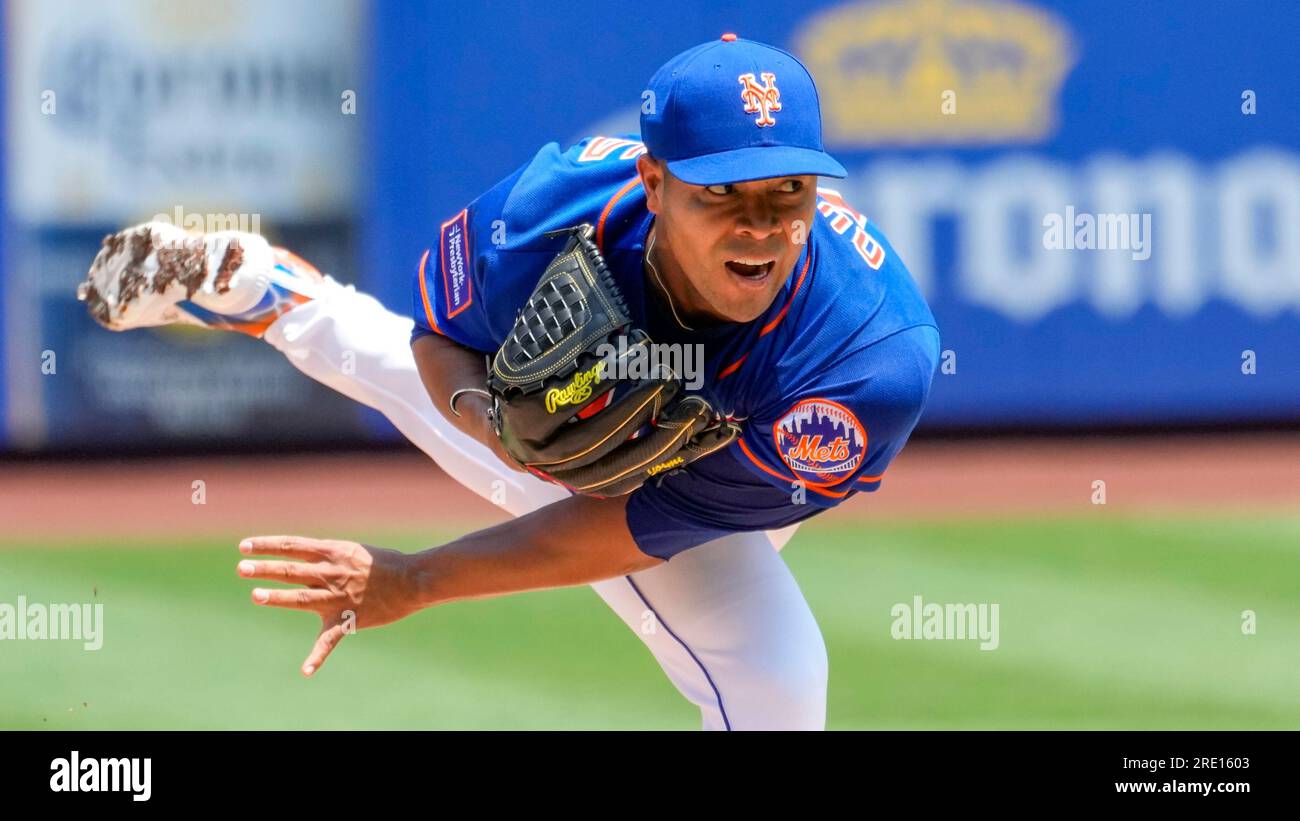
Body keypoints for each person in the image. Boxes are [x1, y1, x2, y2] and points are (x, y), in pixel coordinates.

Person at [78, 35, 940, 730]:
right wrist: (487, 420)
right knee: (779, 680)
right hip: (621, 430)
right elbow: (439, 338)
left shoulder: (869, 359)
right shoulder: (551, 208)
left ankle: (273, 294)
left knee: (700, 574)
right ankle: (264, 291)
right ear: (653, 181)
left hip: (731, 463)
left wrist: (418, 578)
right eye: (722, 191)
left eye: (789, 188)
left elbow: (638, 526)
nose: (761, 223)